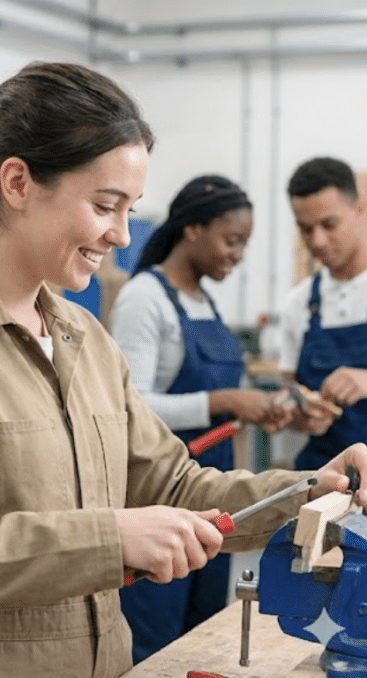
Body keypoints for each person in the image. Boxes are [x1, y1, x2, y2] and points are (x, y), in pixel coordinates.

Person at [0, 62, 367, 678]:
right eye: (106, 206)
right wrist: (111, 538)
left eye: (130, 208)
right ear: (17, 183)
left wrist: (309, 490)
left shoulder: (83, 337)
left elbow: (172, 487)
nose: (120, 235)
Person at [108, 174, 289, 662]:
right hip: (159, 495)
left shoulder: (202, 299)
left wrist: (258, 409)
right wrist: (224, 400)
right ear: (193, 230)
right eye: (231, 240)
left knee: (204, 631)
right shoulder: (145, 297)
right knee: (153, 639)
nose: (237, 254)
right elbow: (131, 408)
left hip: (209, 492)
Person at [280, 157, 367, 471]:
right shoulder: (298, 303)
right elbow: (289, 391)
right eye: (306, 229)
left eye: (329, 225)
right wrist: (302, 415)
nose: (317, 241)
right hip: (328, 476)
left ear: (359, 211)